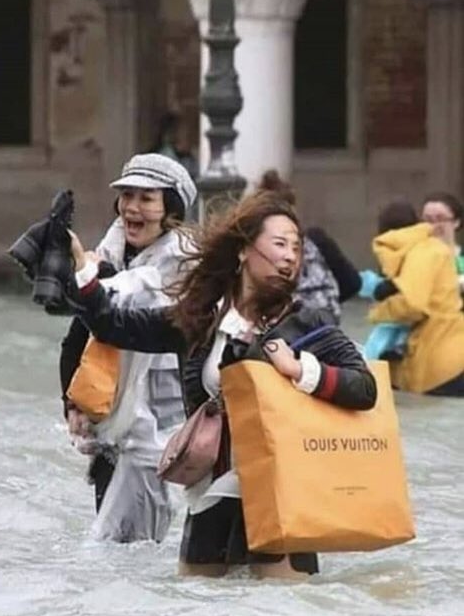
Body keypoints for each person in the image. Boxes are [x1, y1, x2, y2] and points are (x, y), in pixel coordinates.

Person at [67, 191, 377, 578]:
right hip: (208, 497)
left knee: (284, 610)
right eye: (280, 244)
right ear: (244, 250)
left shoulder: (305, 323)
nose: (290, 257)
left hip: (280, 498)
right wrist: (82, 271)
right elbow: (113, 325)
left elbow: (365, 388)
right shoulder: (200, 319)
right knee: (199, 607)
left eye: (296, 248)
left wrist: (300, 370)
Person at [60, 153, 197, 543]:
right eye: (126, 196)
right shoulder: (112, 252)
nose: (132, 208)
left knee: (132, 550)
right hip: (111, 429)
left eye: (146, 198)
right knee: (113, 553)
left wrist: (88, 276)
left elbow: (115, 315)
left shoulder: (183, 266)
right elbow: (80, 335)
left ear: (171, 208)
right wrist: (72, 404)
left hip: (161, 436)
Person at [366, 200, 464, 397]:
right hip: (448, 351)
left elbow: (412, 305)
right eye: (429, 218)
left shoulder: (422, 252)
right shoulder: (430, 250)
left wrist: (378, 313)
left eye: (440, 218)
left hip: (440, 360)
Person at [255, 170, 361, 323]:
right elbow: (353, 283)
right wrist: (325, 302)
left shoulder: (258, 249)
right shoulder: (316, 239)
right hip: (325, 326)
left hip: (283, 328)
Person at [421, 192, 464, 293]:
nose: (434, 226)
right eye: (428, 219)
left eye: (440, 219)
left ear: (456, 222)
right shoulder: (413, 256)